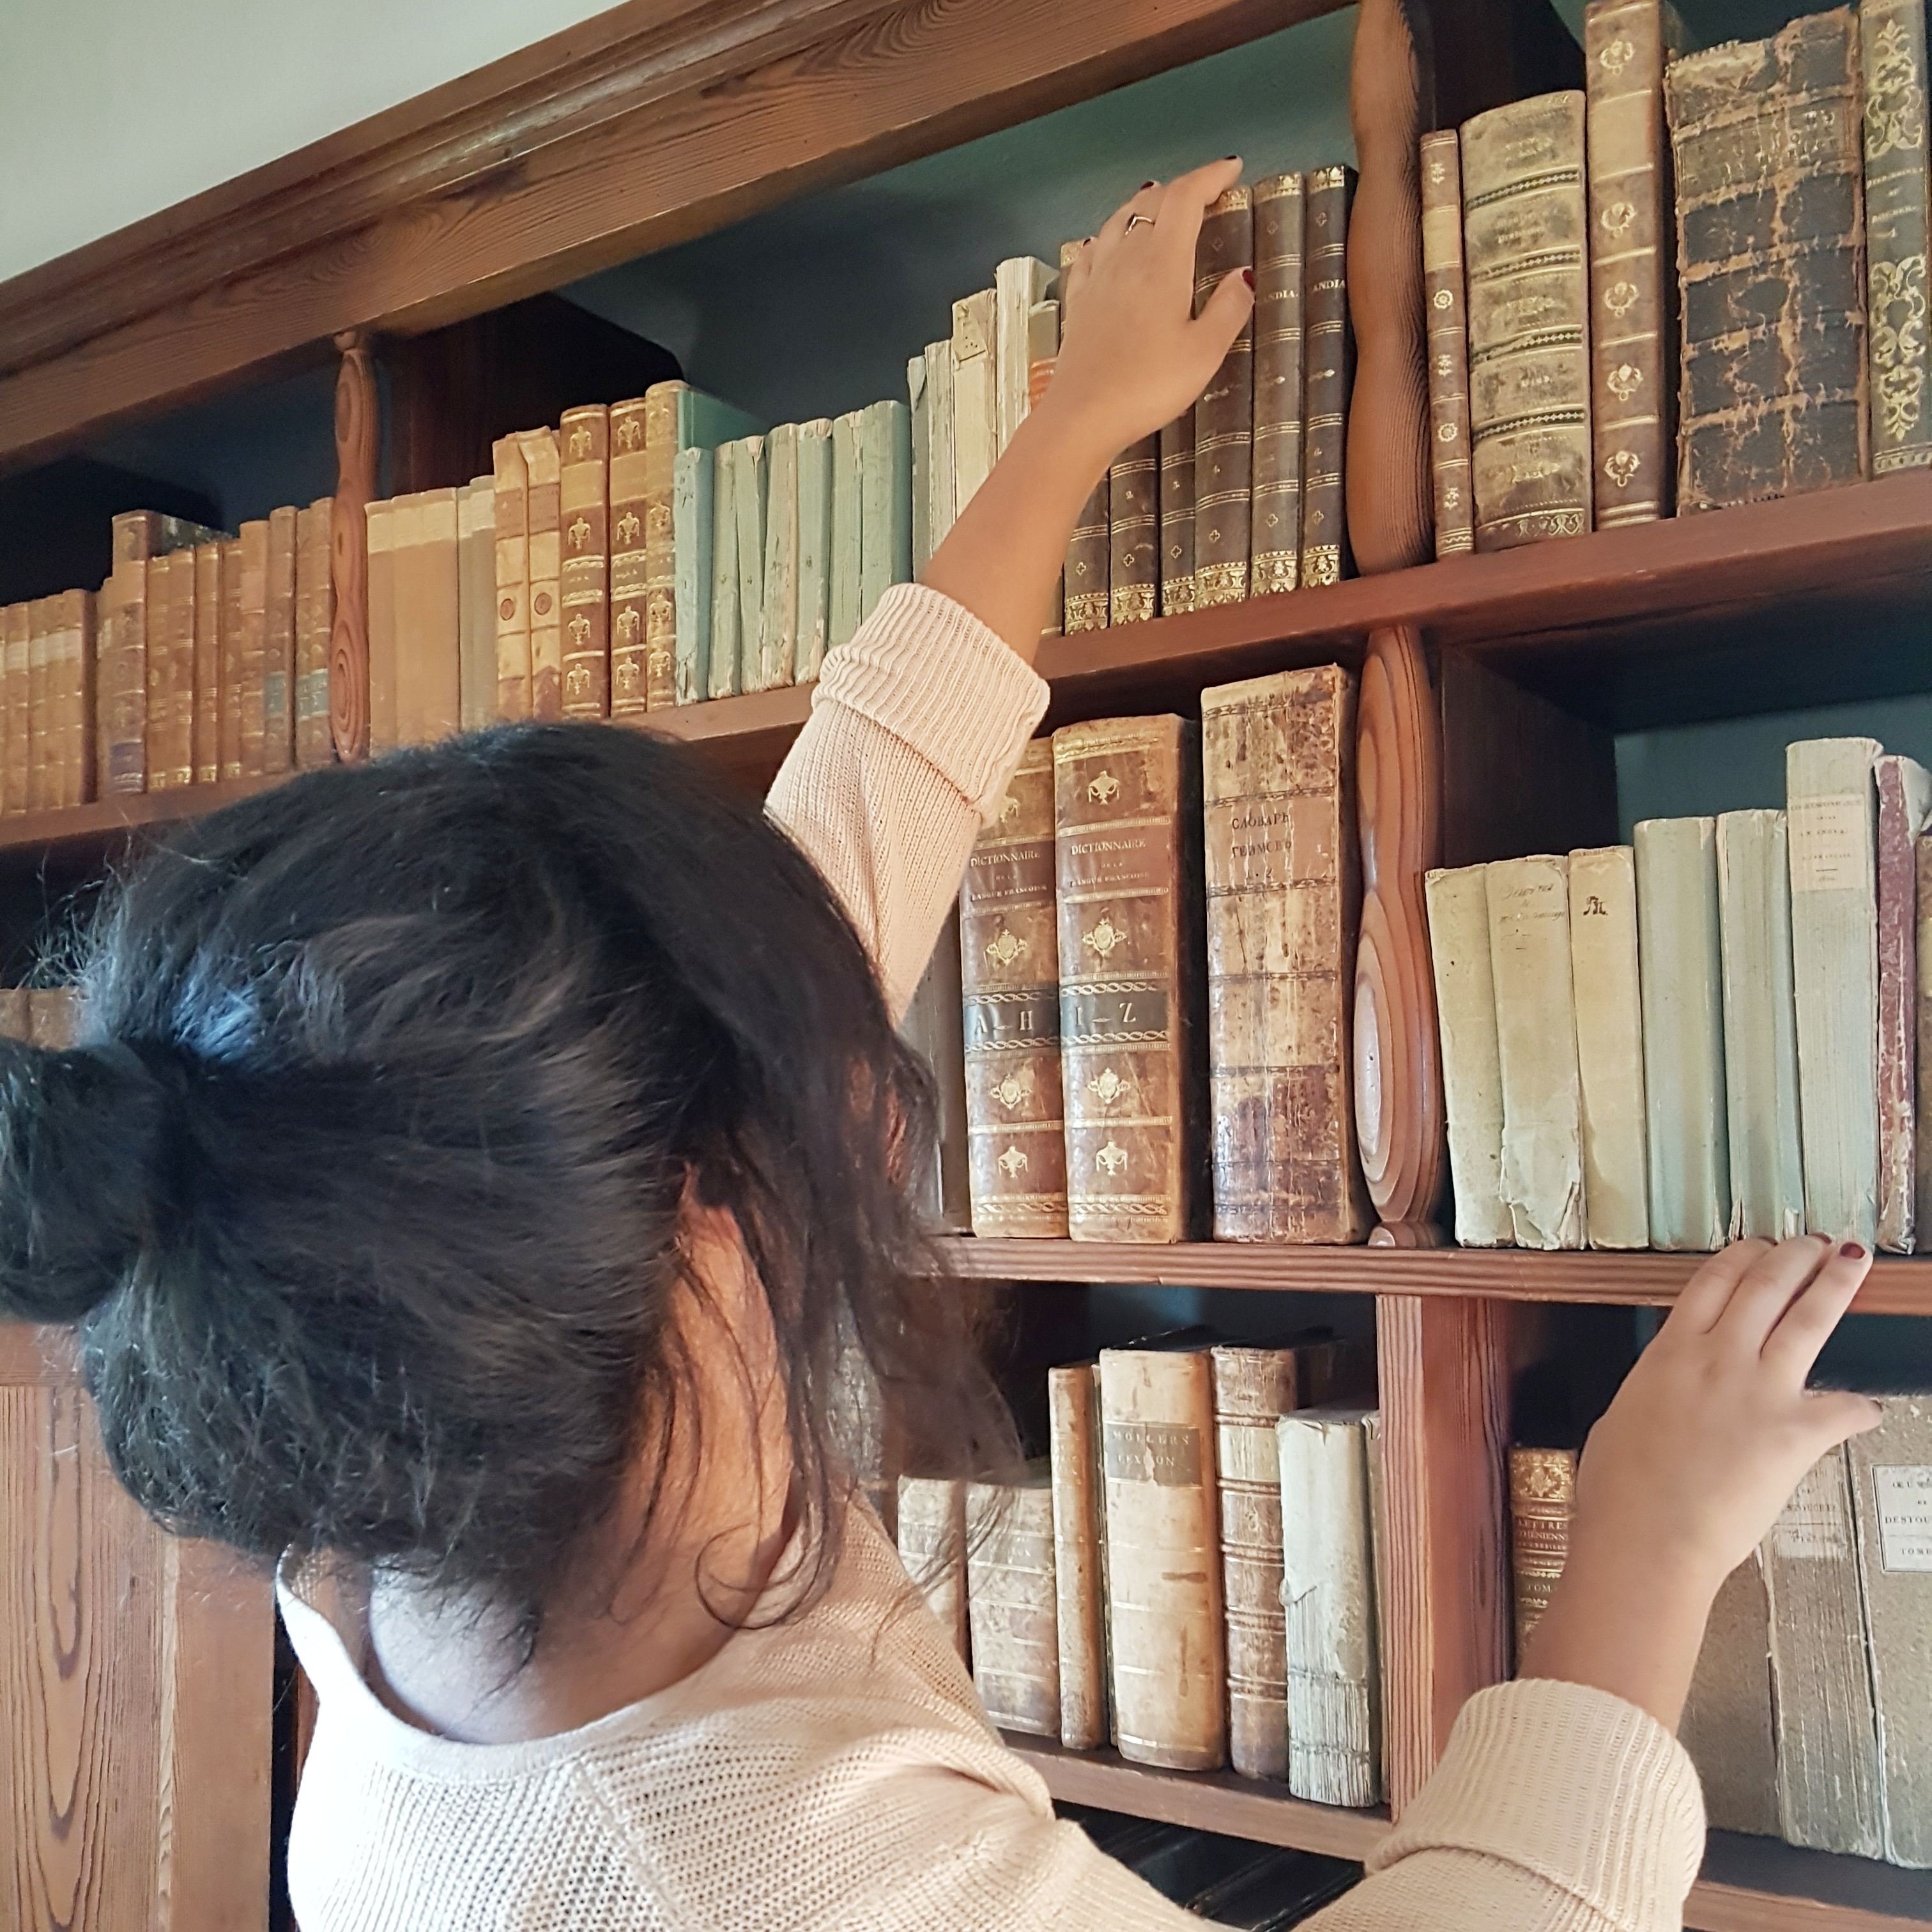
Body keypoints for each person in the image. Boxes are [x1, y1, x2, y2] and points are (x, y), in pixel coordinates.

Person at [0, 161, 1880, 1932]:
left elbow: (854, 826)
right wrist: (1645, 1544)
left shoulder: (408, 1473)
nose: (880, 1112)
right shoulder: (779, 1882)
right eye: (825, 1070)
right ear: (704, 1212)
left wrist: (1065, 426)